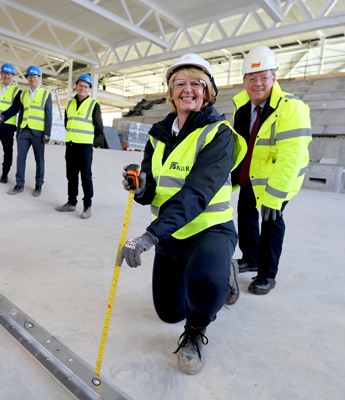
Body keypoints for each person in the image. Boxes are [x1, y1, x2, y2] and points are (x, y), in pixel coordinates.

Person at [117, 54, 246, 375]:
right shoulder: (157, 134)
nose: (187, 89)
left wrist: (149, 236)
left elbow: (197, 193)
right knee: (169, 313)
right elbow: (151, 190)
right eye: (179, 83)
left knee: (204, 287)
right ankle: (211, 275)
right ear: (170, 92)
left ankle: (196, 331)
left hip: (210, 229)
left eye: (196, 83)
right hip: (172, 235)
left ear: (208, 92)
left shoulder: (219, 134)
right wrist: (141, 185)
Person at [231, 46, 311, 295]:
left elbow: (291, 157)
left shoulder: (291, 108)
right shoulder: (242, 106)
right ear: (244, 81)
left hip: (278, 180)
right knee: (245, 213)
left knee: (271, 222)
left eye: (263, 77)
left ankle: (267, 274)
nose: (257, 83)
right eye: (252, 78)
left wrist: (275, 197)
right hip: (250, 176)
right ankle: (250, 257)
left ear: (274, 78)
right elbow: (242, 144)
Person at [55, 74, 103, 218]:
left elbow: (99, 127)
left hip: (85, 147)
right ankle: (71, 203)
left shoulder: (94, 105)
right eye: (80, 85)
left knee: (86, 177)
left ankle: (87, 206)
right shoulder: (69, 104)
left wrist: (88, 140)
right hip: (70, 145)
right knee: (71, 176)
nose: (82, 88)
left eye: (86, 86)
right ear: (76, 86)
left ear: (89, 89)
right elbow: (67, 122)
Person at [7, 66, 52, 196]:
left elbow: (48, 115)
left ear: (39, 78)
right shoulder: (23, 94)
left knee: (39, 160)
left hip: (38, 132)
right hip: (24, 131)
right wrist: (18, 130)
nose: (33, 79)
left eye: (35, 76)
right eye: (30, 76)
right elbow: (21, 113)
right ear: (27, 79)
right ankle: (19, 184)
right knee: (20, 158)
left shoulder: (46, 94)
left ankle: (38, 185)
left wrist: (47, 133)